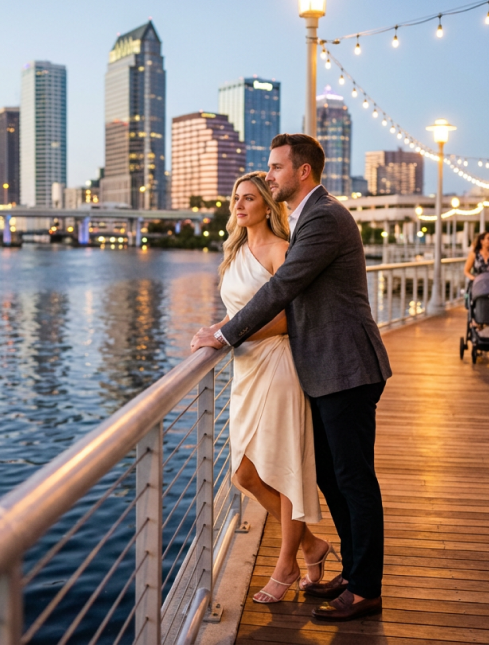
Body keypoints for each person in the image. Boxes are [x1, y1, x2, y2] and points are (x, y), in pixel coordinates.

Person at [192, 133, 391, 622]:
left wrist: (224, 335)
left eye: (277, 167)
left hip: (346, 366)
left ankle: (366, 589)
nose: (270, 175)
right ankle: (351, 571)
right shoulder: (307, 217)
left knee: (354, 479)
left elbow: (281, 288)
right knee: (331, 476)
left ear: (303, 171)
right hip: (323, 368)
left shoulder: (323, 217)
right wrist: (222, 328)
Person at [208, 171, 327, 604]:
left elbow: (289, 320)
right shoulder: (236, 251)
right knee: (245, 474)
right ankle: (311, 545)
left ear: (266, 206)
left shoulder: (281, 250)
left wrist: (229, 336)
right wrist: (215, 330)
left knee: (281, 467)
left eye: (249, 198)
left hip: (277, 366)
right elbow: (240, 311)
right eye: (236, 198)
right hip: (246, 370)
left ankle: (286, 565)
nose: (239, 206)